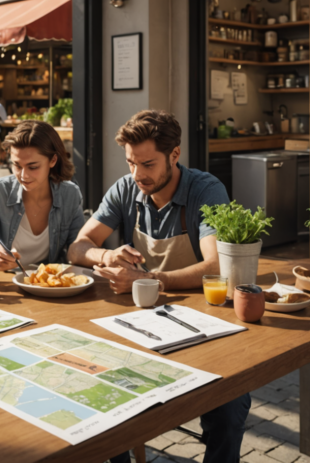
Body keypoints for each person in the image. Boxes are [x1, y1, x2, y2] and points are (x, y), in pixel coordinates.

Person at [66, 110, 246, 463]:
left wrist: (153, 279)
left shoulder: (206, 190)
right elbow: (77, 247)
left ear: (174, 155)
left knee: (229, 406)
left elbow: (217, 266)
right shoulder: (126, 188)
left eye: (147, 164)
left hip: (203, 324)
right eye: (131, 163)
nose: (137, 174)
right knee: (103, 397)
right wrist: (106, 255)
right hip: (143, 324)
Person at [0, 121, 83, 269]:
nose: (24, 175)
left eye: (33, 167)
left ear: (53, 160)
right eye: (16, 165)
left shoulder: (70, 194)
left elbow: (78, 247)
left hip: (49, 285)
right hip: (6, 283)